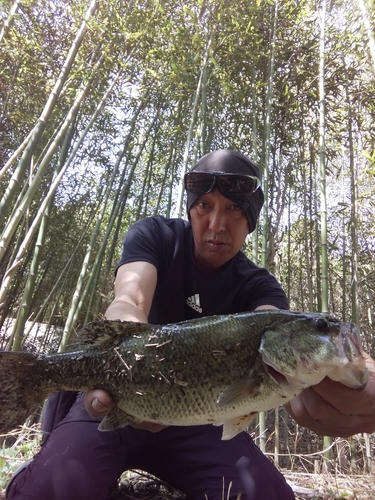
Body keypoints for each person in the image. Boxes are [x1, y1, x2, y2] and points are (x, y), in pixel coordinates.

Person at [6, 149, 375, 500]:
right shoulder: (156, 235)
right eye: (204, 206)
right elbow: (130, 299)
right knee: (51, 489)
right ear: (191, 209)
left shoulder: (260, 286)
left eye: (233, 209)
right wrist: (121, 353)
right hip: (118, 397)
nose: (217, 223)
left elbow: (275, 328)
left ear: (251, 220)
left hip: (201, 421)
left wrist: (358, 381)